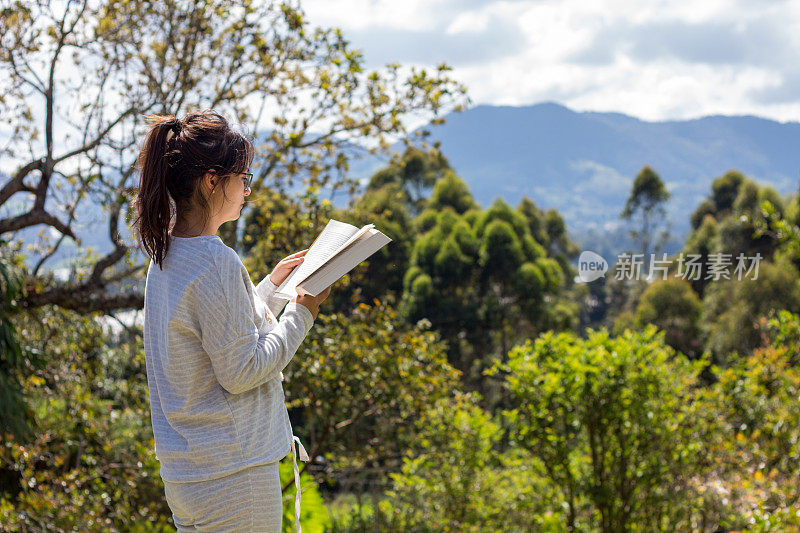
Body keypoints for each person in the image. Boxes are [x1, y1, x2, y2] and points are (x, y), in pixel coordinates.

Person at [131, 109, 330, 532]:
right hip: (233, 476)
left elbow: (216, 333)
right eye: (243, 178)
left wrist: (273, 290)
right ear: (211, 180)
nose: (248, 190)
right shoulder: (214, 261)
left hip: (189, 476)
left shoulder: (168, 254)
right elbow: (241, 370)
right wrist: (302, 313)